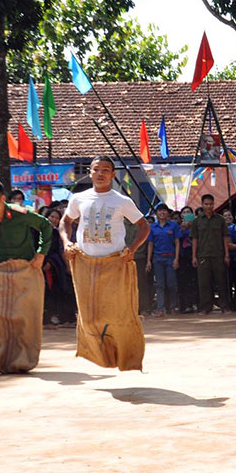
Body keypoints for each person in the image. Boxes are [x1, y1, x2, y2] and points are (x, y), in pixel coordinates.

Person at [61, 156, 150, 371]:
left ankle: (127, 357)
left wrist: (132, 249)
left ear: (112, 174)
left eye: (106, 170)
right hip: (85, 263)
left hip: (115, 264)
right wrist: (66, 242)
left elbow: (143, 227)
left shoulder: (122, 201)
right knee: (89, 317)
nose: (100, 174)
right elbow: (66, 222)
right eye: (96, 169)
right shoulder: (78, 199)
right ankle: (101, 356)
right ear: (90, 173)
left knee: (119, 314)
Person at [0, 179, 53, 373]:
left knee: (22, 317)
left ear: (3, 199)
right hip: (1, 270)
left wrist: (41, 254)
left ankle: (22, 360)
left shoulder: (21, 214)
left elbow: (46, 226)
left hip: (26, 269)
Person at [190, 194, 230, 314]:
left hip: (218, 255)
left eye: (211, 204)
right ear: (202, 205)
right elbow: (195, 239)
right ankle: (205, 307)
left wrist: (227, 255)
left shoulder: (220, 220)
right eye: (206, 204)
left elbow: (225, 238)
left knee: (221, 281)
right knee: (204, 283)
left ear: (214, 204)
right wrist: (194, 256)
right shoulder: (197, 221)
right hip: (202, 255)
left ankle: (224, 306)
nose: (209, 206)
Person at [146, 204, 181, 316]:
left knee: (172, 283)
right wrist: (148, 261)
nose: (162, 213)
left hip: (170, 257)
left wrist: (176, 259)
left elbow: (177, 243)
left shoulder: (174, 226)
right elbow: (150, 244)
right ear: (156, 213)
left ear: (168, 213)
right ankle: (160, 309)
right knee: (160, 284)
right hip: (157, 258)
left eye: (164, 211)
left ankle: (173, 307)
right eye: (160, 211)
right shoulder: (152, 227)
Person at [176, 206, 198, 313]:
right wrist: (182, 229)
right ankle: (185, 305)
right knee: (184, 281)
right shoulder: (178, 227)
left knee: (194, 280)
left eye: (188, 212)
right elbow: (176, 240)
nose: (186, 214)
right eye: (184, 212)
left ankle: (196, 304)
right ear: (181, 215)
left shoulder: (197, 225)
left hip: (194, 255)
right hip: (182, 256)